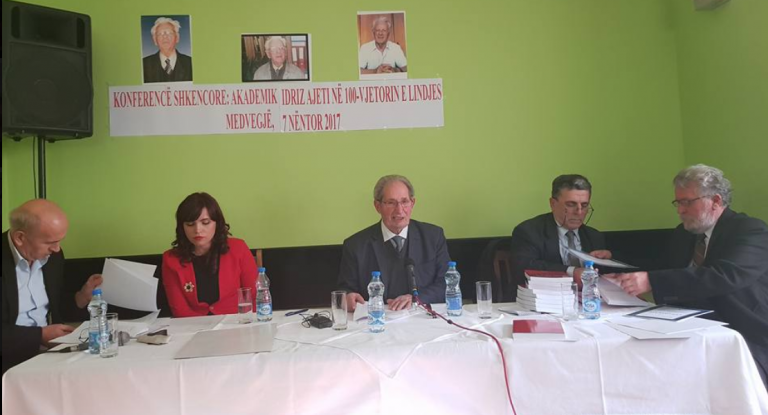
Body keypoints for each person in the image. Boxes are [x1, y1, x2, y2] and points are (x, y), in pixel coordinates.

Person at [607, 164, 768, 388]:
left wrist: (650, 281)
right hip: (689, 326)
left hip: (743, 330)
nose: (680, 210)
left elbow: (725, 276)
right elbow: (663, 266)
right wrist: (614, 264)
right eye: (678, 202)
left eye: (687, 202)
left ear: (716, 200)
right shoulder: (684, 233)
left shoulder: (751, 230)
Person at [2, 199, 102, 374]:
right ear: (20, 238)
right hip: (8, 361)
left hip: (49, 354)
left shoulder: (53, 257)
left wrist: (81, 297)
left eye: (60, 241)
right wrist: (39, 336)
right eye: (50, 242)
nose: (57, 249)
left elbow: (53, 305)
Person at [337, 175, 450, 311]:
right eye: (391, 203)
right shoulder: (356, 245)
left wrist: (416, 298)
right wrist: (348, 297)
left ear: (412, 203)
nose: (399, 210)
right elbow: (345, 290)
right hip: (376, 318)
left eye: (404, 202)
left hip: (421, 316)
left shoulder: (433, 237)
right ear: (377, 206)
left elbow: (447, 283)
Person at [162, 192, 257, 317]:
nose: (197, 230)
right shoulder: (171, 259)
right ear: (182, 227)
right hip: (192, 325)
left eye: (205, 222)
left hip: (236, 322)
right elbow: (180, 310)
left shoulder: (238, 248)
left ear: (217, 223)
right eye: (190, 224)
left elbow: (254, 296)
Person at [510, 174, 612, 285]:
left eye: (584, 205)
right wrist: (571, 271)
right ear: (553, 204)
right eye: (571, 204)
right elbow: (525, 266)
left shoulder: (594, 236)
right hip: (546, 293)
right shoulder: (529, 231)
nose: (579, 212)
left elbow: (603, 275)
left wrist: (609, 259)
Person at [142, 17, 193, 83]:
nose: (165, 37)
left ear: (177, 38)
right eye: (160, 34)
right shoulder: (144, 64)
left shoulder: (190, 63)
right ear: (154, 40)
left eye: (169, 33)